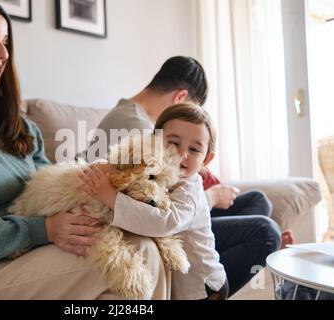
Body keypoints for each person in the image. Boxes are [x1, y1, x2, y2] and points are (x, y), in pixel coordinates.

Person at [0, 0, 169, 300]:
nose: (3, 54)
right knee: (125, 266)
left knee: (143, 249)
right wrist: (44, 230)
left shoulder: (19, 124)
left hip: (19, 252)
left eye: (6, 42)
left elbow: (46, 189)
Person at [85, 56, 282, 295]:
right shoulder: (141, 129)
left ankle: (216, 254)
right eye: (190, 106)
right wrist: (209, 198)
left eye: (194, 148)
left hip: (182, 213)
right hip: (164, 217)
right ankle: (242, 260)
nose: (181, 153)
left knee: (258, 201)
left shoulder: (130, 114)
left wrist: (208, 194)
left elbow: (182, 183)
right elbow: (155, 199)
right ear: (180, 98)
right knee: (265, 232)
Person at [80, 103, 229, 300]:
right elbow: (121, 164)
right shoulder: (153, 167)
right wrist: (103, 169)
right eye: (174, 143)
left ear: (207, 159)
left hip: (202, 287)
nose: (182, 155)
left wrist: (111, 198)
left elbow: (163, 222)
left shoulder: (190, 190)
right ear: (154, 140)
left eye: (194, 149)